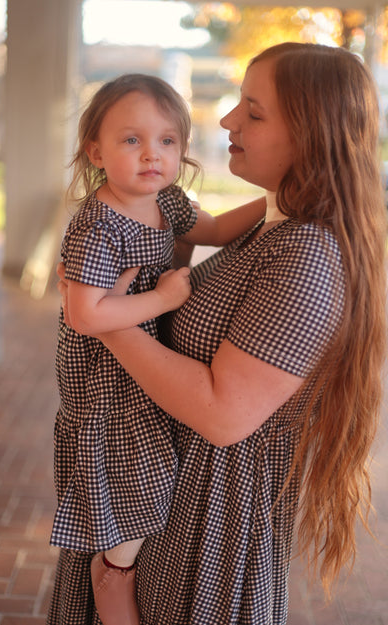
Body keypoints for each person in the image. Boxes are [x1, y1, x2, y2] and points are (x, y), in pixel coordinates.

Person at [53, 43, 387, 625]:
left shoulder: (308, 253)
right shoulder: (277, 223)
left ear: (312, 134)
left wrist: (106, 317)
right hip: (160, 483)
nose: (228, 120)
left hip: (210, 523)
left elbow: (223, 413)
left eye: (253, 112)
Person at [48, 73, 266, 625]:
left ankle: (115, 562)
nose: (153, 155)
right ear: (95, 150)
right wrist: (165, 298)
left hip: (135, 368)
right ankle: (114, 575)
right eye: (132, 140)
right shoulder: (98, 225)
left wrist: (277, 204)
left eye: (167, 141)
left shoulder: (164, 199)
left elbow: (213, 228)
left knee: (152, 484)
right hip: (103, 384)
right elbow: (84, 313)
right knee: (149, 491)